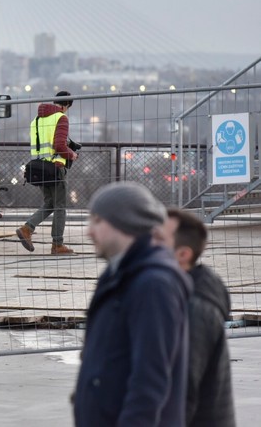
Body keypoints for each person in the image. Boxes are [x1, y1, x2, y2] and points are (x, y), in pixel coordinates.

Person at [74, 182, 192, 426]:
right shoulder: (118, 275)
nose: (89, 231)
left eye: (97, 221)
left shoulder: (153, 284)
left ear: (124, 223)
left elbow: (150, 380)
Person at [154, 208, 236, 427]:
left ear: (183, 254)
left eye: (158, 239)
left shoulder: (191, 309)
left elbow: (179, 397)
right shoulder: (175, 296)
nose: (148, 244)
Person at [17, 90, 78, 254]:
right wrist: (71, 154)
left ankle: (27, 229)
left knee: (50, 203)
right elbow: (59, 146)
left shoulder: (36, 120)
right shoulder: (61, 118)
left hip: (38, 168)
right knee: (59, 206)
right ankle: (57, 244)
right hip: (55, 168)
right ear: (66, 106)